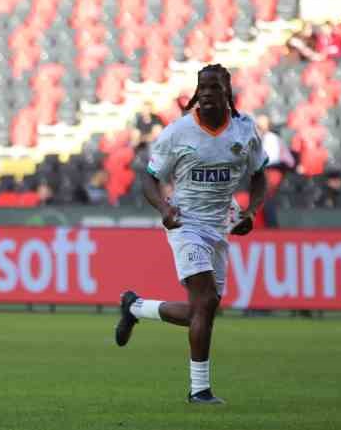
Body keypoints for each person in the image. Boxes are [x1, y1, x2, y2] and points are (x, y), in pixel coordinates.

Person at [113, 65, 268, 405]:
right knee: (206, 300)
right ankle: (199, 390)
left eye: (214, 87)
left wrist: (251, 211)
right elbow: (149, 178)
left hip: (219, 227)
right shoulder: (178, 133)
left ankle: (136, 307)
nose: (208, 93)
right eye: (203, 88)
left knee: (204, 309)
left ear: (227, 93)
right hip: (185, 225)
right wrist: (164, 210)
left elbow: (260, 174)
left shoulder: (244, 132)